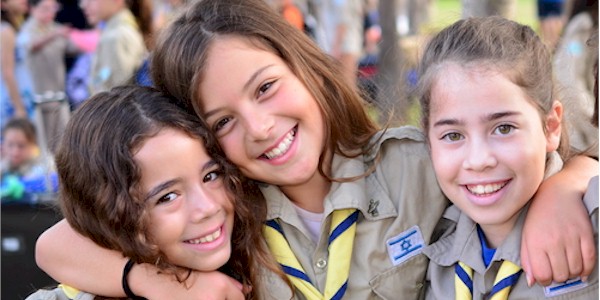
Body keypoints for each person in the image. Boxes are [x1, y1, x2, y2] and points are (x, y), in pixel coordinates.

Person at [35, 0, 598, 299]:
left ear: (305, 68)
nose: (259, 127)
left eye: (266, 88)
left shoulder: (412, 164)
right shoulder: (225, 215)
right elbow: (55, 243)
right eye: (223, 120)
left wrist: (567, 181)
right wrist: (158, 283)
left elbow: (496, 158)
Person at [26, 85, 287, 300]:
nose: (208, 208)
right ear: (110, 214)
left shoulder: (270, 246)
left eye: (211, 176)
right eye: (168, 197)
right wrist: (160, 284)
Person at [414, 16, 598, 299]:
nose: (478, 160)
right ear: (428, 140)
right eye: (453, 135)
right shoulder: (426, 241)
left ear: (551, 127)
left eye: (503, 128)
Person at [17, 0, 81, 153]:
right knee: (41, 149)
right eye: (45, 9)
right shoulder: (27, 29)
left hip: (58, 97)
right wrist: (55, 34)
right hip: (36, 100)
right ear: (33, 9)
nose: (49, 13)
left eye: (52, 8)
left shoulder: (56, 28)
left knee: (63, 145)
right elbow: (31, 44)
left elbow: (74, 47)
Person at [79, 0, 149, 94]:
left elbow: (116, 95)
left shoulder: (117, 37)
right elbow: (104, 75)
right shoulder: (115, 31)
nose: (83, 5)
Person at [1, 117, 57, 202]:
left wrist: (26, 185)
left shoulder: (46, 166)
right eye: (10, 145)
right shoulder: (3, 167)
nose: (15, 152)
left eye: (21, 145)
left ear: (33, 144)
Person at [1, 0, 31, 124]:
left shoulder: (15, 26)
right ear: (3, 4)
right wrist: (19, 108)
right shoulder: (5, 31)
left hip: (22, 93)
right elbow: (7, 72)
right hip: (12, 99)